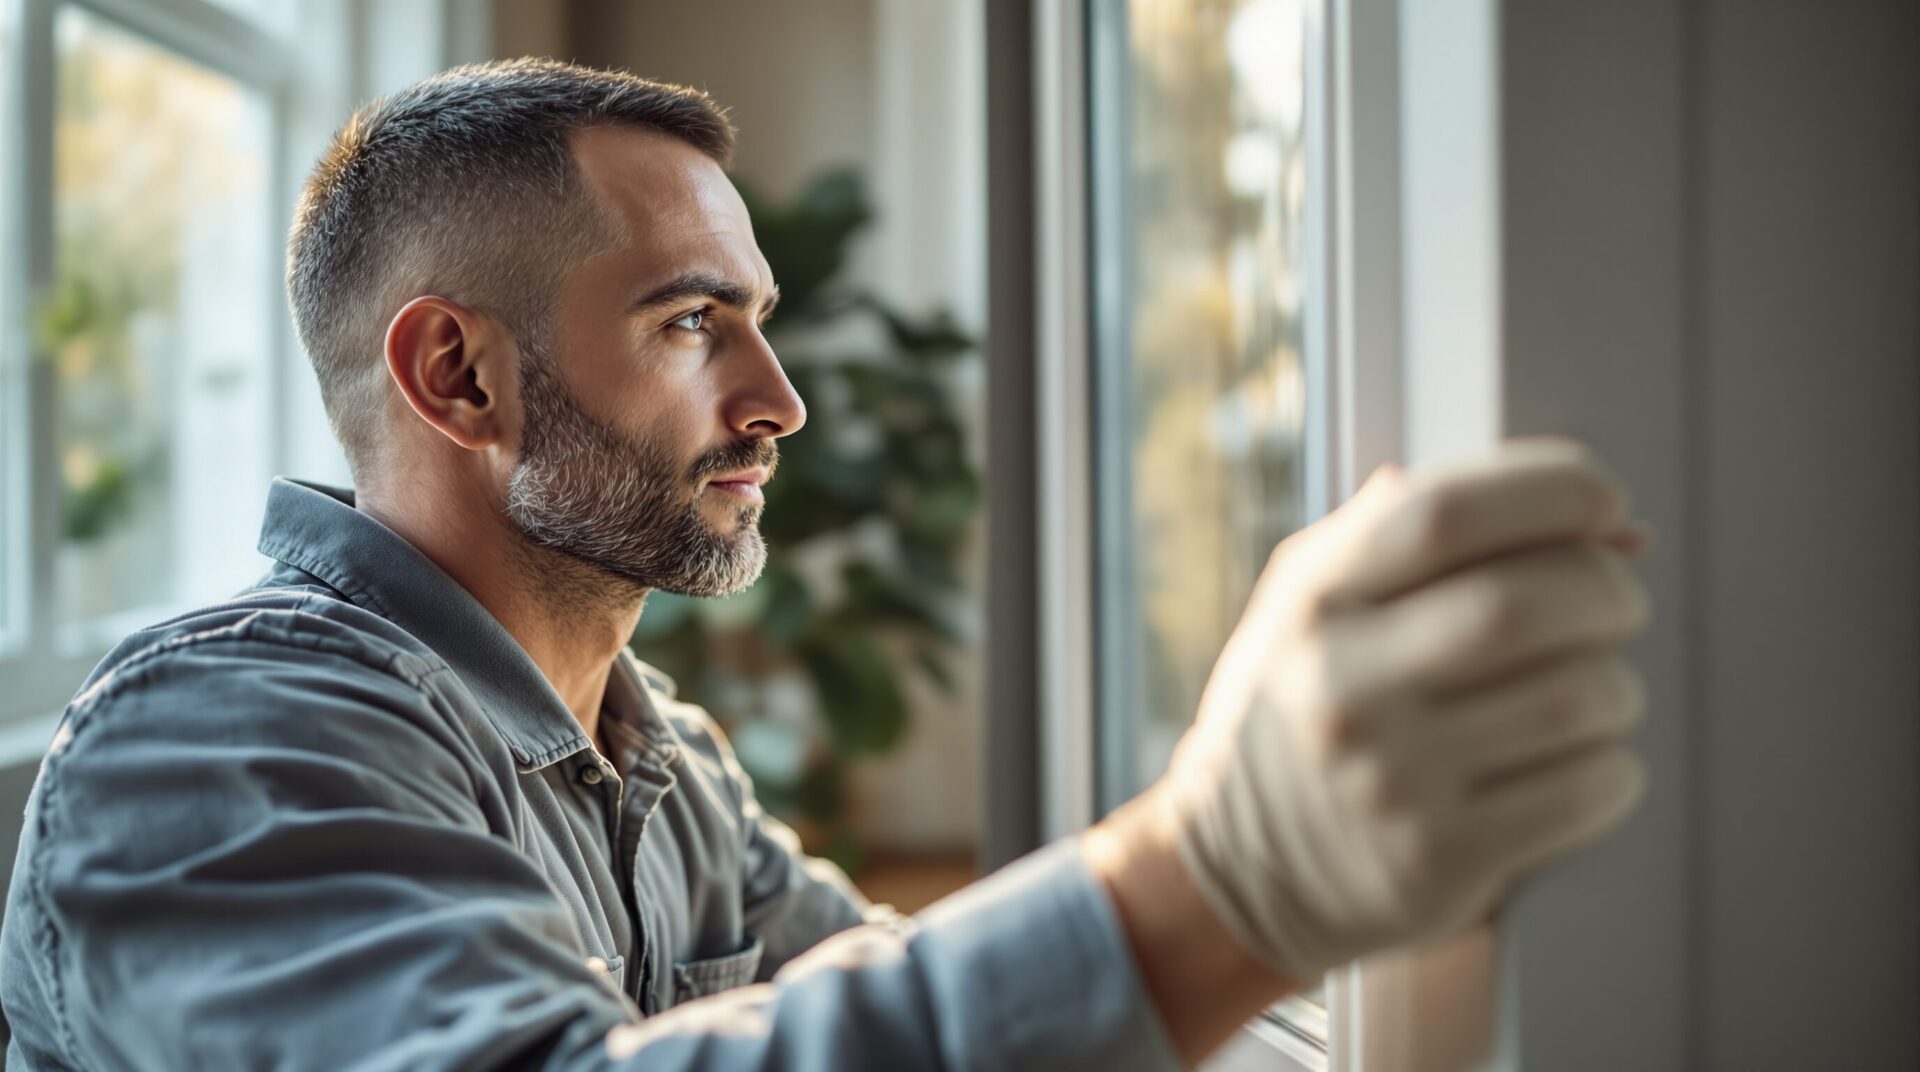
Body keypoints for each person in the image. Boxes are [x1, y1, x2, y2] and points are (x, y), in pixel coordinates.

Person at [0, 59, 1653, 1071]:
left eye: (759, 323)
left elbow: (895, 1005)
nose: (777, 402)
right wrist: (1223, 878)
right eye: (690, 323)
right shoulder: (217, 750)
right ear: (459, 380)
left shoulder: (662, 766)